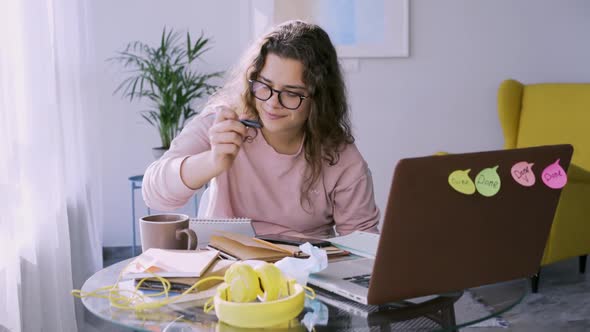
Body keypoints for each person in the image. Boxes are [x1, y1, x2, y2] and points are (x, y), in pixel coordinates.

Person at [142, 20, 379, 238]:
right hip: (224, 268)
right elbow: (155, 193)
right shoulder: (224, 122)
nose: (272, 102)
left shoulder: (342, 158)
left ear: (319, 99)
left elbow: (361, 246)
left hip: (303, 274)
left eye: (291, 93)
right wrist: (211, 162)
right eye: (264, 86)